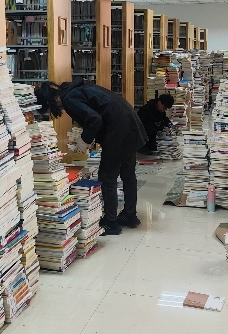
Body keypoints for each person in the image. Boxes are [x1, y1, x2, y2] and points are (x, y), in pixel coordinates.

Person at [35, 78, 148, 235]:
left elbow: (94, 119)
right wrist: (90, 137)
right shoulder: (76, 89)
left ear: (48, 102)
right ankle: (129, 215)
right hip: (128, 123)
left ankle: (110, 222)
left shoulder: (69, 99)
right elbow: (98, 113)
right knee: (128, 174)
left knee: (107, 176)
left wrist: (85, 140)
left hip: (118, 132)